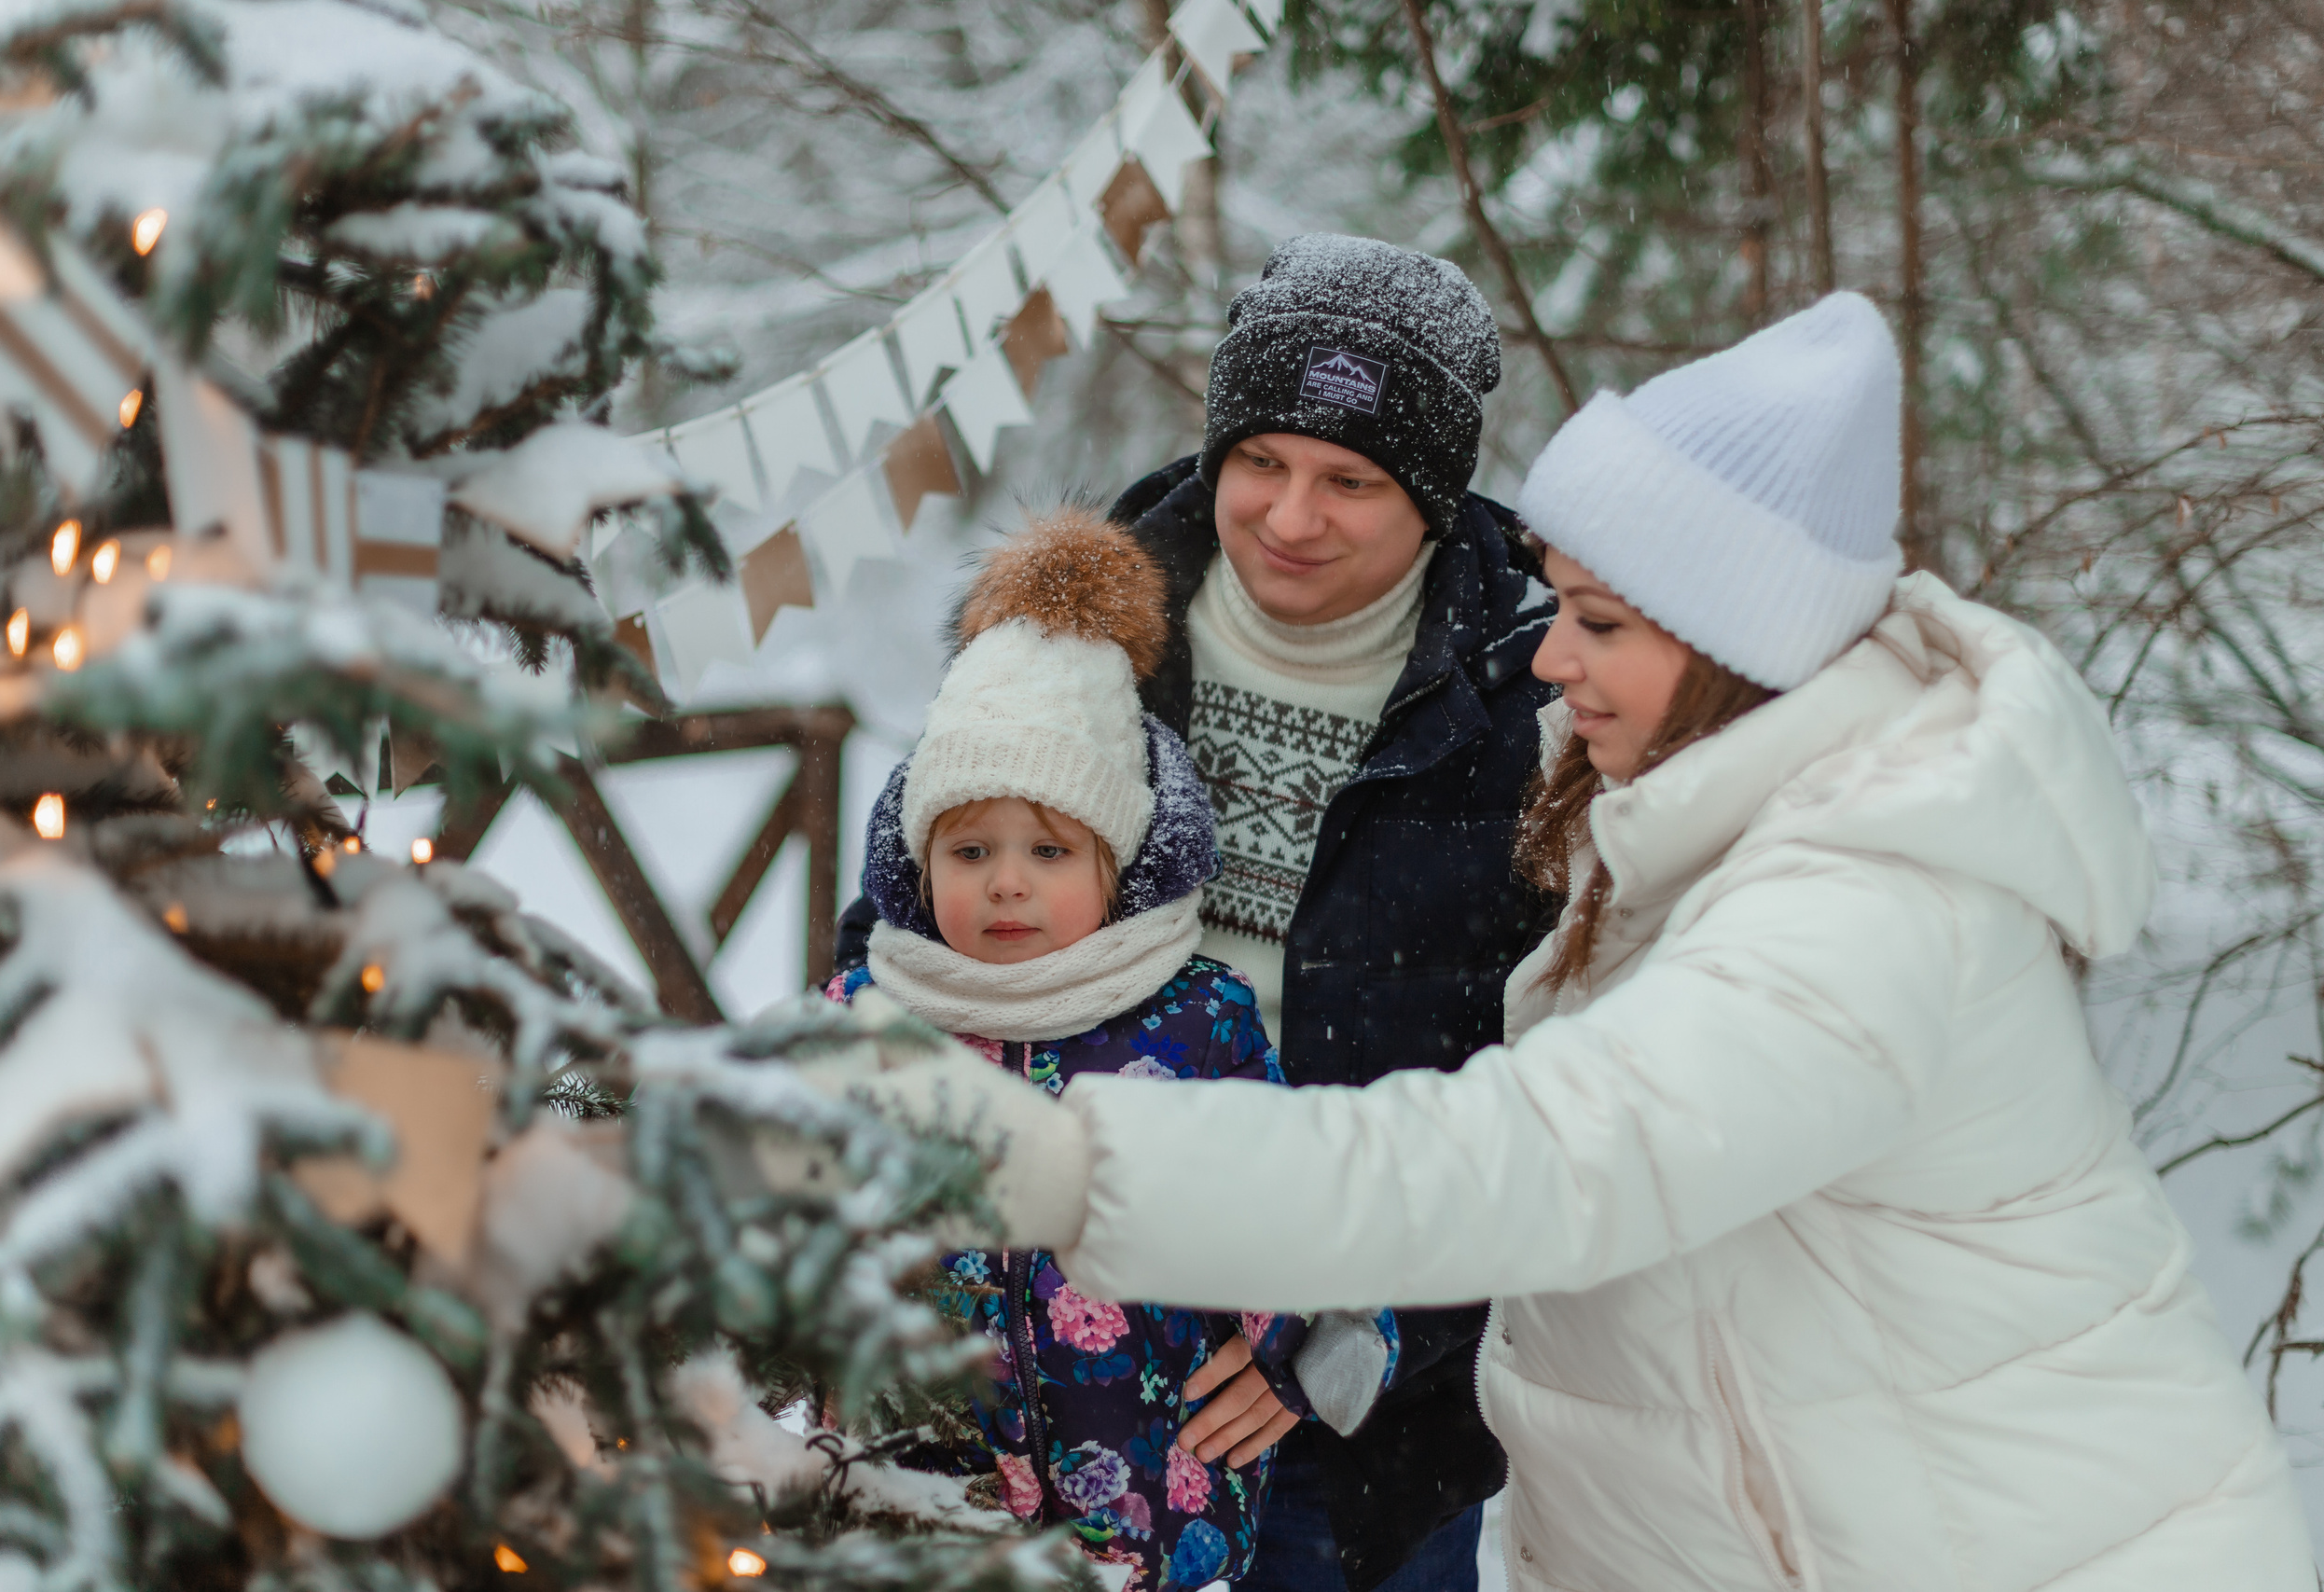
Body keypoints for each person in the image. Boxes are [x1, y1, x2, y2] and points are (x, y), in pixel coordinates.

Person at [831, 293, 2318, 1587]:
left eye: (1599, 620)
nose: (1547, 651)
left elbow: (1543, 1157)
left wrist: (1071, 1167)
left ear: (1731, 644)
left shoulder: (1870, 904)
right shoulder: (1676, 822)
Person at [837, 233, 1559, 1591]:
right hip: (1026, 1357)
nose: (1291, 516)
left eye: (1351, 479)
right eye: (1262, 462)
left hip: (1353, 1424)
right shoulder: (1078, 634)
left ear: (1435, 496)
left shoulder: (1525, 713)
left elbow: (1564, 1087)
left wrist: (1378, 1325)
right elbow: (893, 935)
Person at [826, 505, 1354, 1592]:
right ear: (919, 862)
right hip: (916, 1501)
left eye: (1050, 849)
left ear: (1120, 863)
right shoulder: (867, 1020)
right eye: (968, 848)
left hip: (1146, 1508)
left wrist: (1295, 1340)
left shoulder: (1193, 1020)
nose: (1006, 881)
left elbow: (1290, 1191)